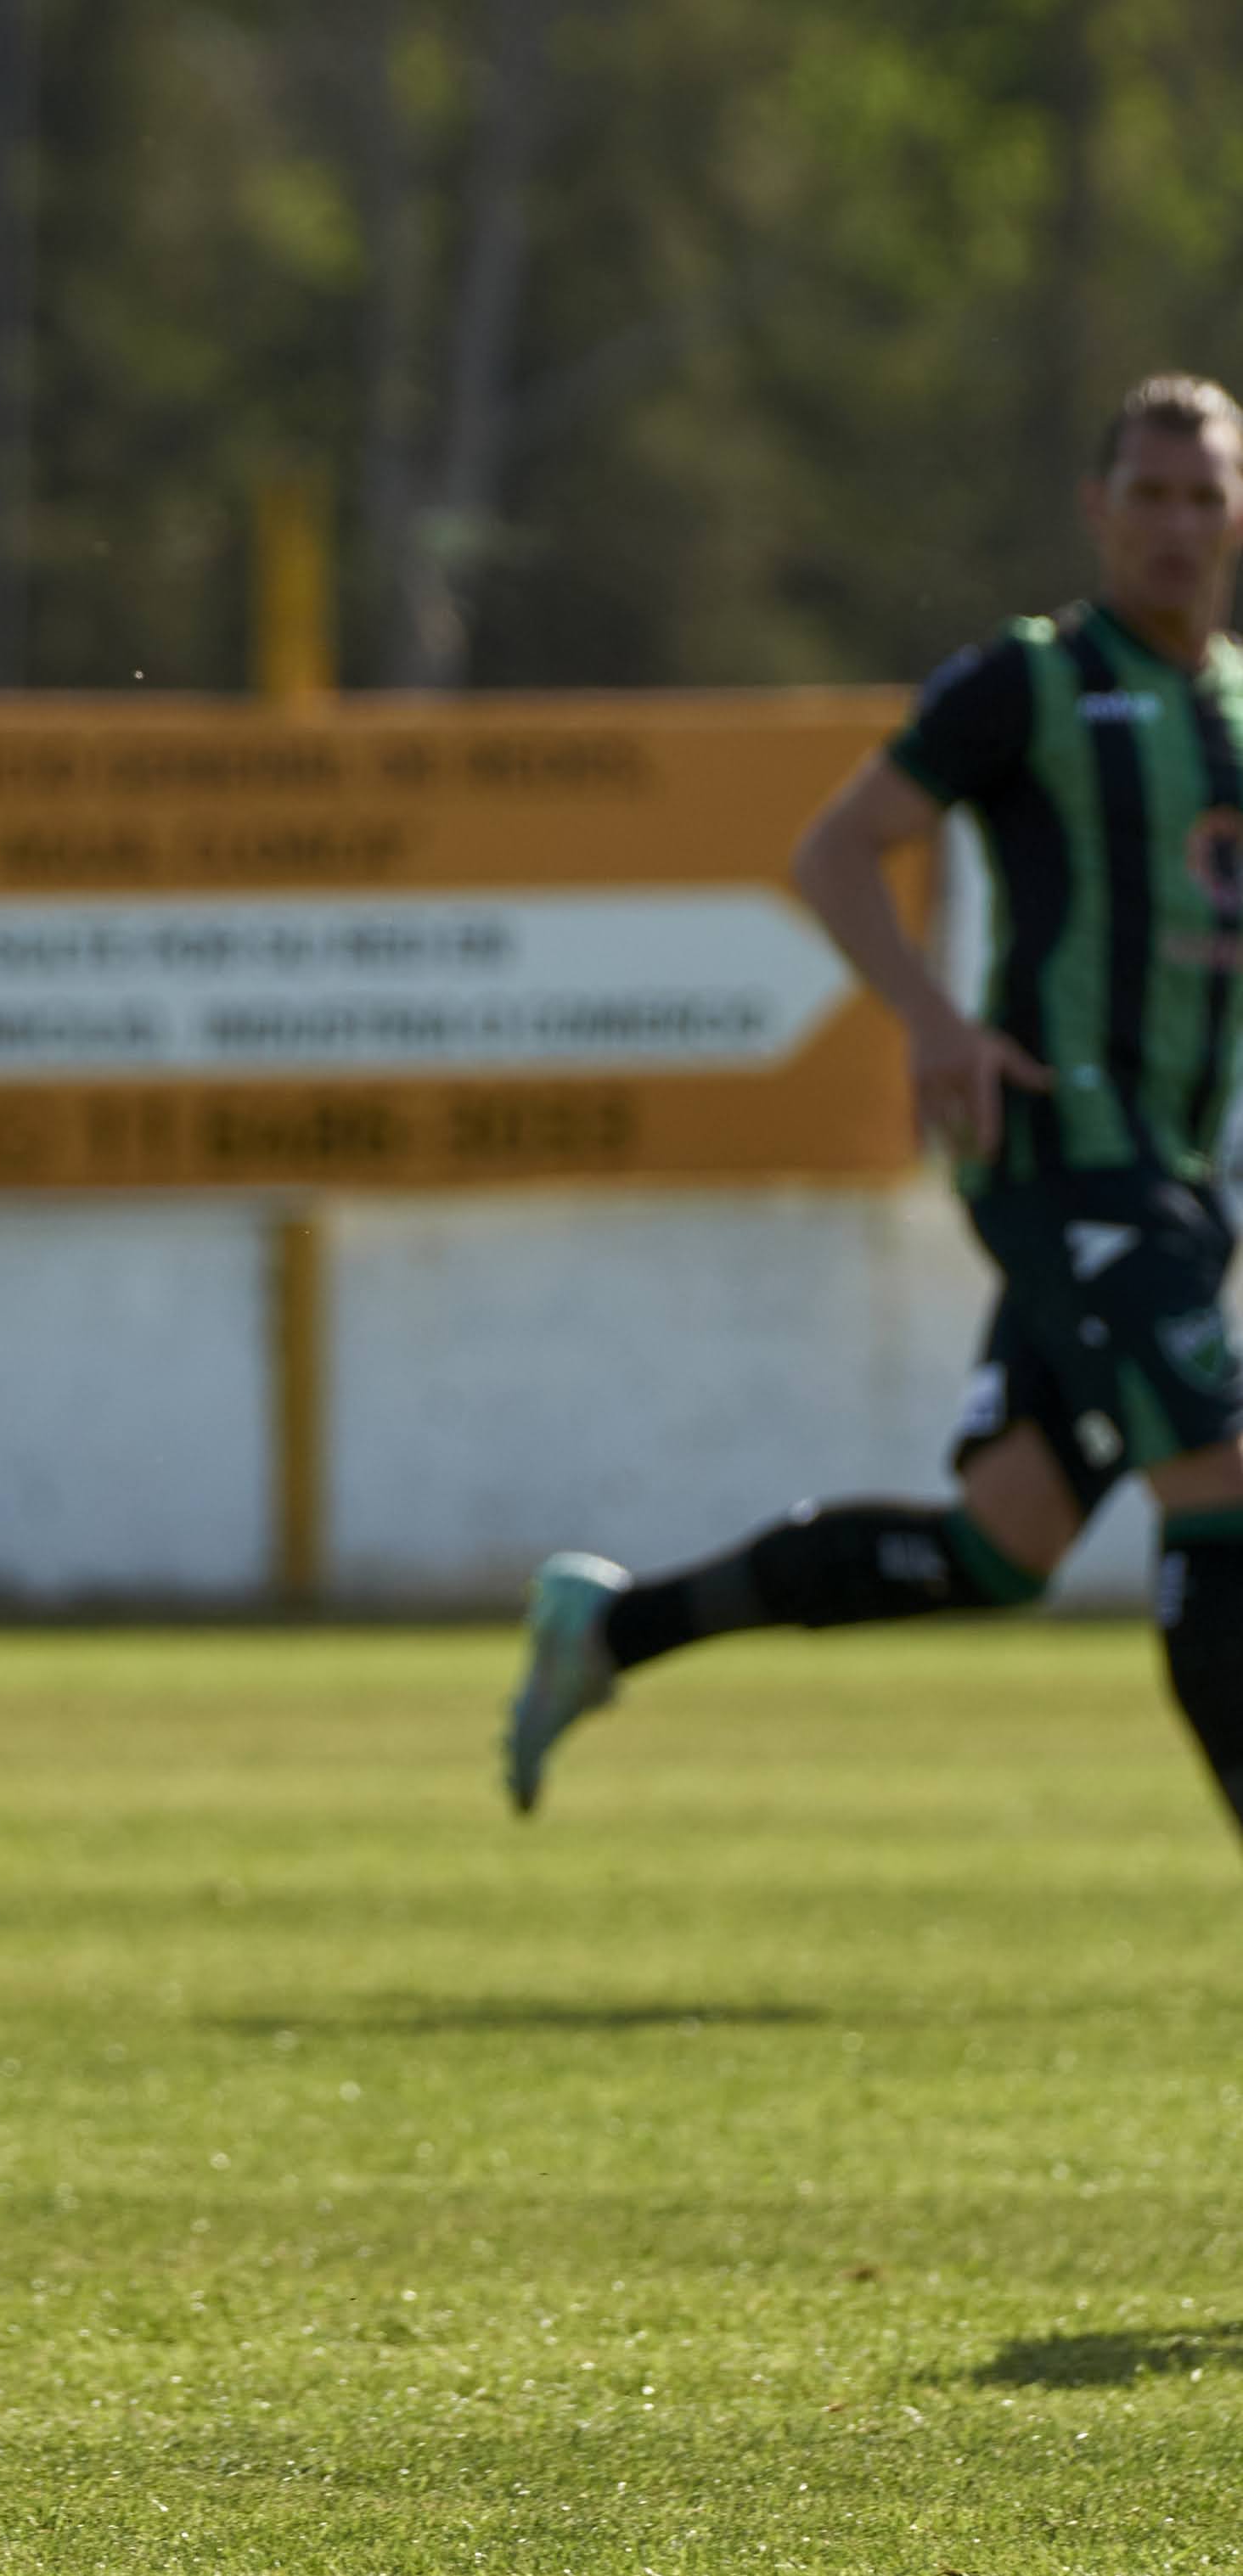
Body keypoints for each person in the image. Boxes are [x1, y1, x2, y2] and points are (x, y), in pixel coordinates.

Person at [509, 373, 1243, 1824]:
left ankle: (613, 1629)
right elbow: (837, 851)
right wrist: (934, 1021)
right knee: (1221, 1485)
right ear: (1096, 510)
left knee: (1003, 1545)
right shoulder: (1029, 683)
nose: (1176, 524)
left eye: (1204, 496)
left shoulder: (1232, 708)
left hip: (1178, 1178)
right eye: (1148, 495)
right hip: (1060, 1154)